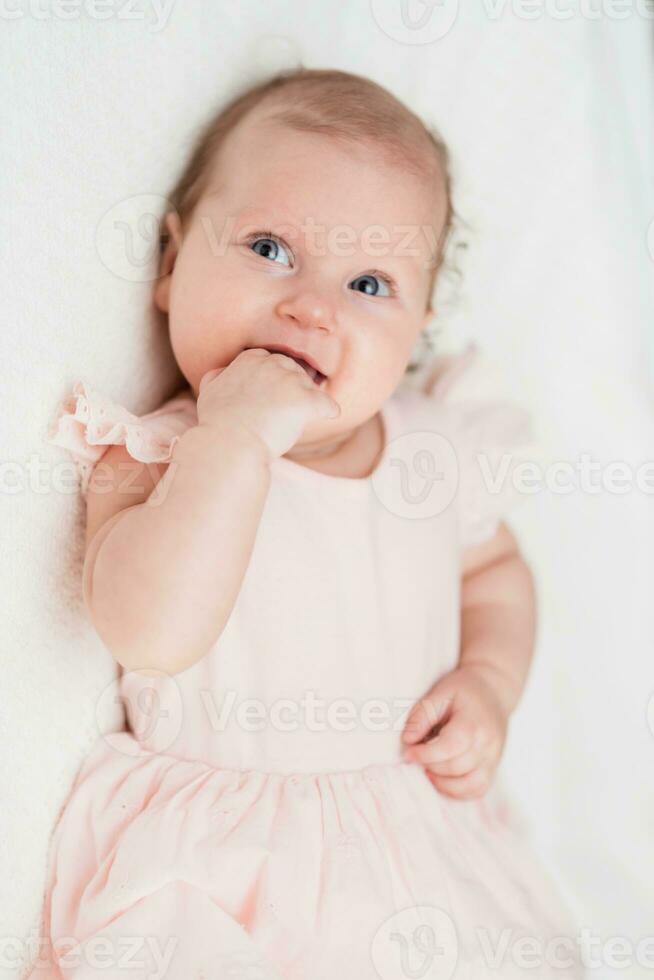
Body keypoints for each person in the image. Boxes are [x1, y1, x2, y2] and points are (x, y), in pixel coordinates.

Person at [30, 67, 584, 979]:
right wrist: (235, 443)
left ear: (420, 328)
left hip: (418, 847)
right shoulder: (161, 454)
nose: (312, 306)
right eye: (270, 249)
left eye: (369, 282)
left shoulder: (433, 452)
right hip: (224, 861)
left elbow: (494, 574)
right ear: (170, 265)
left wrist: (489, 680)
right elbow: (149, 633)